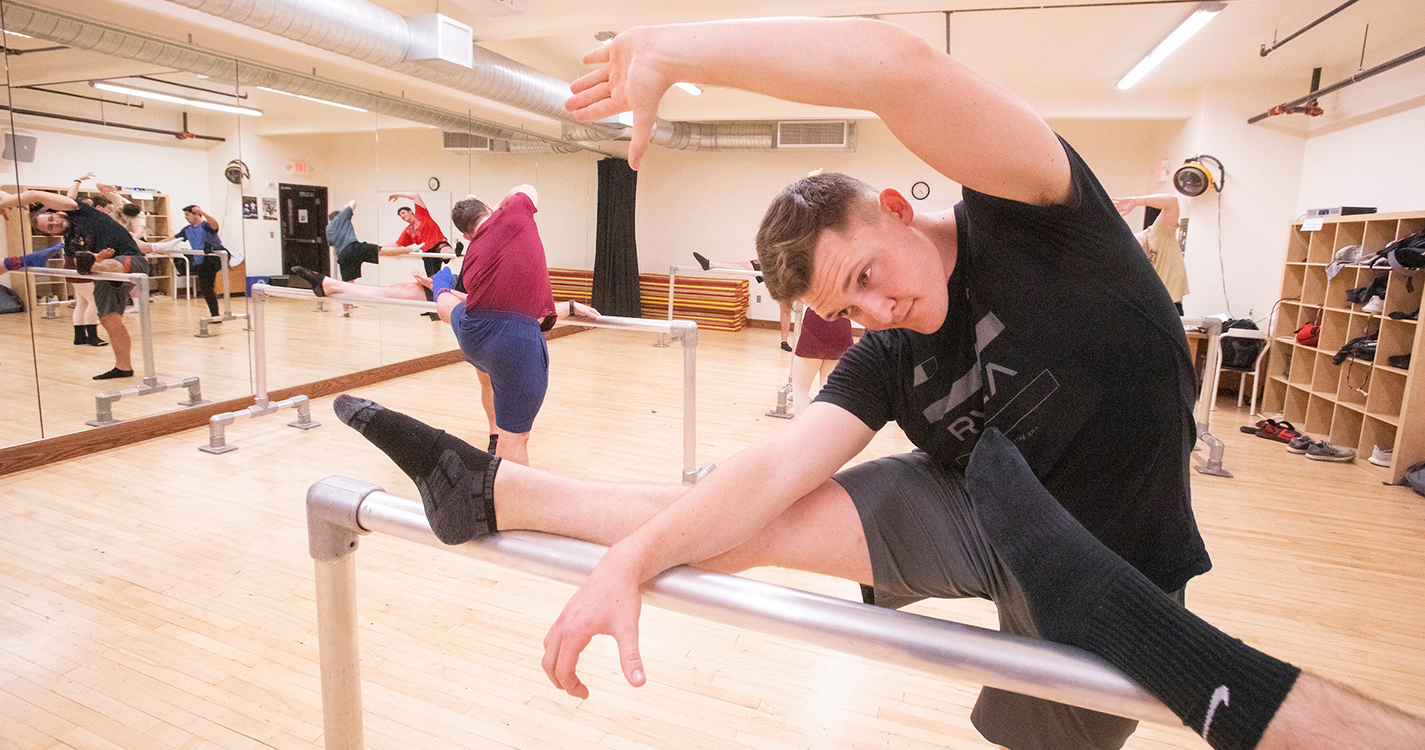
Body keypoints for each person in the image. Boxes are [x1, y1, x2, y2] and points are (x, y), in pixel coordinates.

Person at [331, 17, 1421, 750]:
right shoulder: (887, 356)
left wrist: (675, 43)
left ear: (896, 208)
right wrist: (632, 560)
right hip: (987, 512)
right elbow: (775, 466)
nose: (877, 311)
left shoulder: (1034, 214)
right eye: (847, 310)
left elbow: (901, 66)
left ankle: (501, 497)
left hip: (1117, 556)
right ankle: (498, 496)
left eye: (868, 276)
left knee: (1046, 730)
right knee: (752, 509)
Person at [296, 184, 597, 465]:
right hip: (497, 328)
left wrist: (568, 308)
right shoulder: (511, 217)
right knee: (471, 335)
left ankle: (334, 286)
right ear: (489, 214)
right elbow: (524, 189)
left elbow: (505, 310)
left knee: (424, 293)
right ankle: (497, 437)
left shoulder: (470, 256)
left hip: (475, 331)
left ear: (465, 237)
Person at [2, 182, 154, 378]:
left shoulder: (79, 210)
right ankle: (124, 367)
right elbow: (80, 270)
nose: (54, 223)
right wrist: (93, 262)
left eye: (51, 218)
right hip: (102, 274)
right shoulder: (71, 244)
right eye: (49, 228)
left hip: (129, 260)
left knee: (111, 263)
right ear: (51, 233)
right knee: (109, 319)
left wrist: (4, 203)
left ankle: (96, 263)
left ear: (56, 212)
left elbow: (33, 195)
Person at [692, 252, 794, 350]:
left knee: (786, 308)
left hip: (787, 272)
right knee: (744, 265)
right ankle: (710, 264)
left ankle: (784, 341)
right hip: (772, 266)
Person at [1114, 194, 1188, 315]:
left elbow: (1172, 202)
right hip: (1142, 307)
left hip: (1168, 306)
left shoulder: (1158, 234)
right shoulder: (1124, 258)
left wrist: (1135, 200)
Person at [788, 303, 852, 416]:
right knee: (828, 391)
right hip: (841, 325)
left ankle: (804, 430)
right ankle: (824, 429)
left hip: (815, 324)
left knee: (801, 389)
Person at [174, 204, 225, 319]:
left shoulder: (205, 226)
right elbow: (174, 238)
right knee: (205, 288)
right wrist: (154, 246)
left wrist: (203, 211)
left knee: (207, 287)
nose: (186, 217)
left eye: (188, 215)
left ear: (196, 214)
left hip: (212, 259)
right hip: (200, 261)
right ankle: (215, 313)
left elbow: (215, 225)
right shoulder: (187, 230)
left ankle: (215, 314)